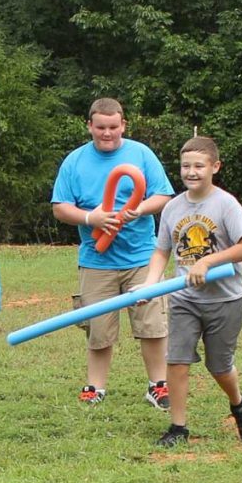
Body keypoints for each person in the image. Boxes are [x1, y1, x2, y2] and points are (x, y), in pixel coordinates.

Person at [51, 97, 175, 408]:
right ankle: (95, 388)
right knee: (98, 327)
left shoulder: (141, 154)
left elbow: (163, 194)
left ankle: (158, 386)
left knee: (152, 324)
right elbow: (60, 208)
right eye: (101, 127)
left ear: (123, 125)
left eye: (113, 127)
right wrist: (91, 218)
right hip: (96, 260)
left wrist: (140, 209)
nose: (107, 133)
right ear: (89, 126)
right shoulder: (74, 161)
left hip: (142, 257)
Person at [141, 136, 242, 447]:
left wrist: (209, 261)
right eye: (185, 166)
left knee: (218, 366)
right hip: (185, 299)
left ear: (214, 167)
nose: (191, 172)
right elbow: (162, 251)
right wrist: (151, 283)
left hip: (225, 299)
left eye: (198, 165)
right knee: (176, 360)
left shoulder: (225, 204)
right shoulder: (172, 208)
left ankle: (238, 404)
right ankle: (178, 427)